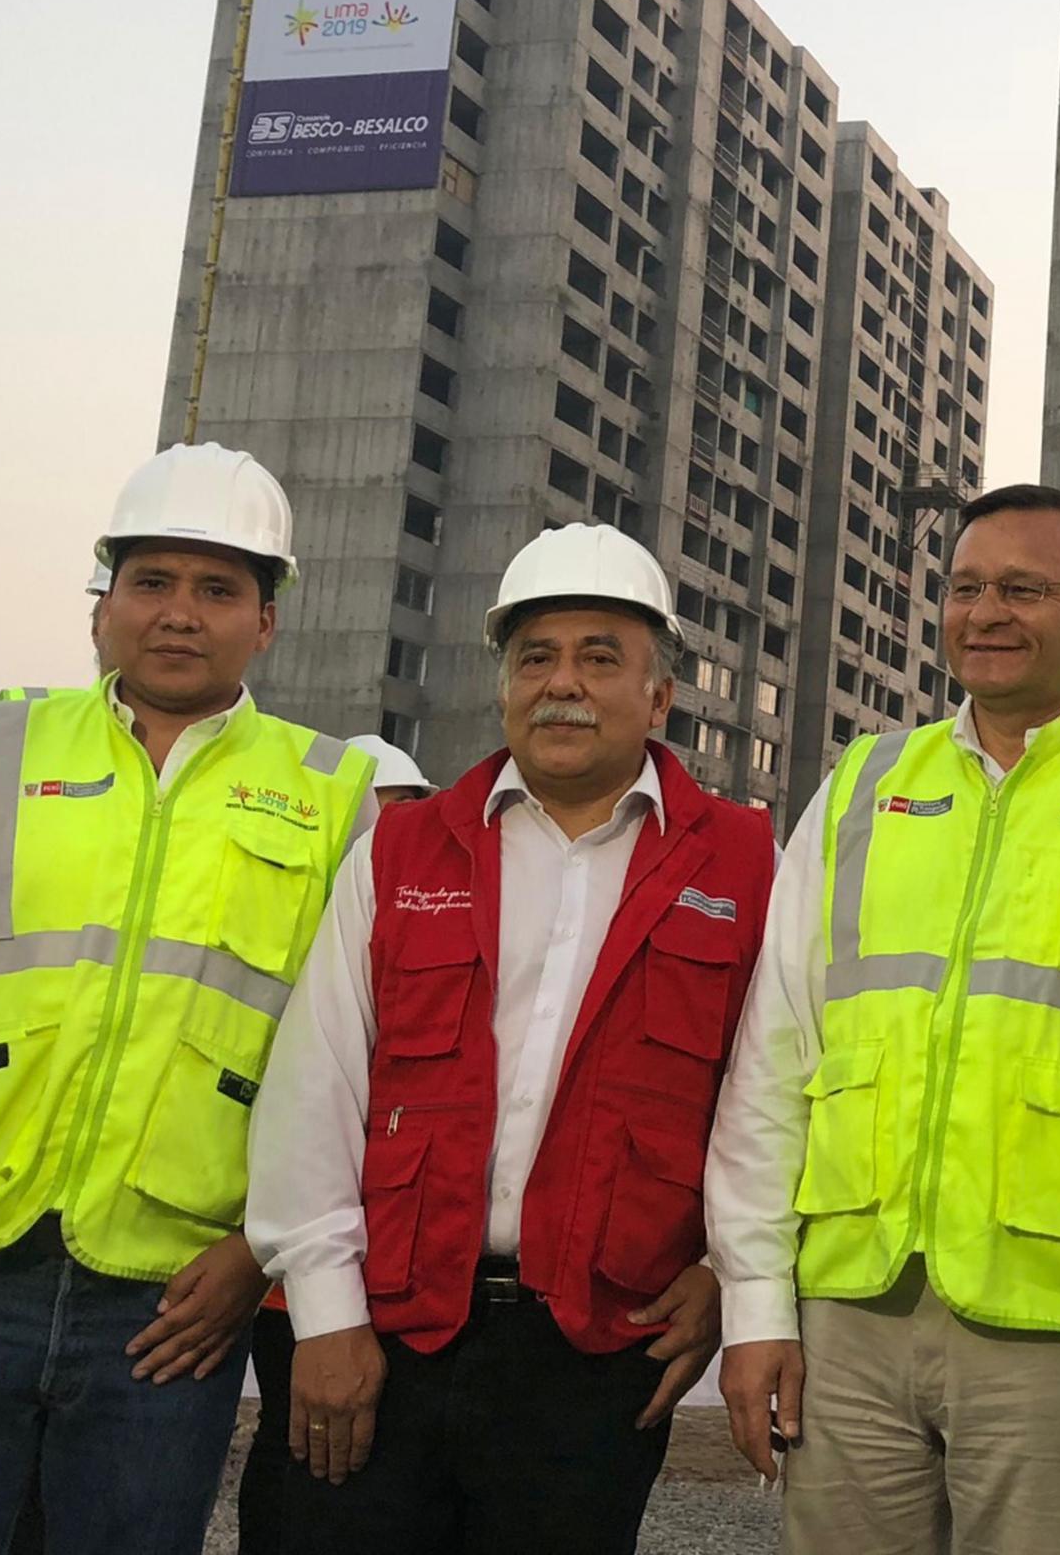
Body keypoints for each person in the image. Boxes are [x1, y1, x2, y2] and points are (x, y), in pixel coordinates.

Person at [0, 444, 377, 1555]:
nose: (178, 613)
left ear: (266, 620)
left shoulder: (331, 794)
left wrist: (257, 1254)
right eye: (150, 581)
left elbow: (347, 1059)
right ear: (103, 603)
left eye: (218, 589)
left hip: (173, 1302)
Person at [246, 523, 769, 1554]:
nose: (560, 682)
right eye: (535, 656)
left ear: (659, 697)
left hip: (591, 1357)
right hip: (382, 1329)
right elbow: (317, 1082)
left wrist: (726, 1272)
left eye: (599, 656)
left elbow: (765, 1099)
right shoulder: (403, 848)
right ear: (503, 686)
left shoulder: (747, 864)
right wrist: (324, 1309)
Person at [706, 485, 1060, 1555]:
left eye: (1022, 587)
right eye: (965, 587)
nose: (985, 612)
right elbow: (773, 1061)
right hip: (853, 1319)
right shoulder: (865, 786)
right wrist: (756, 1305)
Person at [236, 735, 439, 1555]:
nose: (389, 833)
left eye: (405, 812)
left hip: (392, 1270)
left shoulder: (422, 911)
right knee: (301, 1473)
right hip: (297, 1278)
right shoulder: (308, 932)